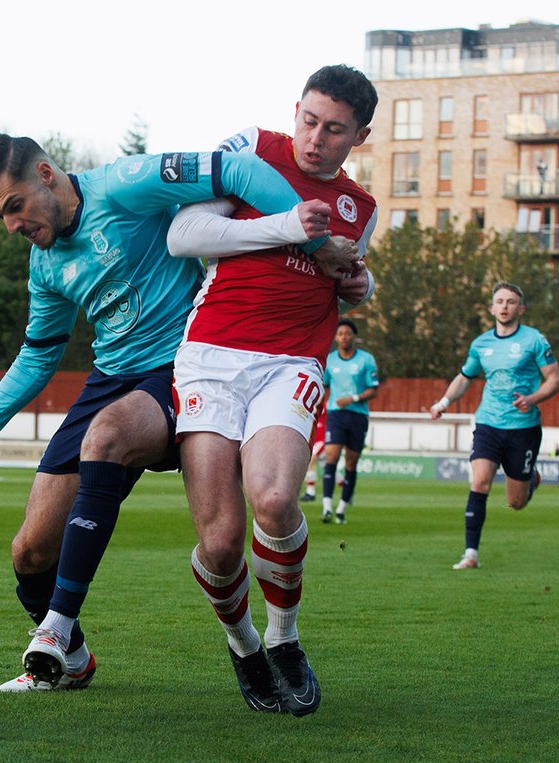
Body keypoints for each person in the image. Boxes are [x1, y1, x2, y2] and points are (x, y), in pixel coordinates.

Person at [0, 134, 346, 694]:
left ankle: (55, 626)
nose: (11, 226)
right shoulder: (44, 265)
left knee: (110, 438)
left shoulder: (124, 186)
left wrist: (309, 240)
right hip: (110, 381)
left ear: (45, 174)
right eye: (0, 216)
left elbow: (235, 169)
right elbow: (37, 357)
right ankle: (72, 661)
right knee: (30, 550)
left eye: (14, 206)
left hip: (186, 365)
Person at [166, 64, 379, 716]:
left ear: (359, 136)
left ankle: (285, 638)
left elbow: (351, 277)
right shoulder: (251, 149)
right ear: (296, 110)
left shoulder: (361, 206)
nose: (315, 138)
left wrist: (356, 282)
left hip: (291, 361)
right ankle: (243, 644)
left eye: (334, 129)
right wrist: (292, 226)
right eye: (309, 121)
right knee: (221, 541)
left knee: (278, 498)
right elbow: (184, 235)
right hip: (209, 356)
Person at [429, 281, 559, 570]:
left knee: (515, 502)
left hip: (523, 427)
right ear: (492, 308)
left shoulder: (535, 340)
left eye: (511, 302)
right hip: (488, 423)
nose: (505, 306)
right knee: (479, 482)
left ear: (521, 309)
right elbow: (465, 377)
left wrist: (533, 398)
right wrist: (443, 402)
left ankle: (530, 480)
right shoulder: (481, 344)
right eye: (500, 301)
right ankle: (470, 555)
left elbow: (555, 380)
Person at [320, 320, 379, 524]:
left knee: (351, 462)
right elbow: (324, 385)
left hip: (357, 415)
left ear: (353, 336)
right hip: (336, 414)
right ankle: (327, 507)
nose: (344, 337)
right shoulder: (330, 360)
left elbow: (373, 390)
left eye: (347, 333)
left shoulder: (366, 360)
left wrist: (352, 399)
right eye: (340, 334)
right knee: (331, 456)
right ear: (335, 338)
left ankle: (341, 510)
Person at [299, 410, 326, 502]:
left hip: (322, 440)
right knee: (328, 467)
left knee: (310, 462)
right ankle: (345, 485)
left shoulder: (326, 406)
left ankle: (311, 492)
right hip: (314, 440)